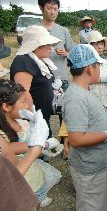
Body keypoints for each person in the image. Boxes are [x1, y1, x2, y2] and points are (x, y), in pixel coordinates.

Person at [63, 44, 107, 211]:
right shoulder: (75, 98)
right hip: (90, 169)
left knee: (101, 203)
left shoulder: (86, 90)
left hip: (102, 162)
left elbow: (95, 118)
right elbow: (76, 139)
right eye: (99, 66)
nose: (100, 70)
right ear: (89, 68)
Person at [0, 79, 59, 209]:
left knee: (36, 202)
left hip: (33, 173)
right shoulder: (2, 134)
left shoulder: (21, 121)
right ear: (6, 107)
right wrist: (42, 144)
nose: (26, 106)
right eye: (23, 102)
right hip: (22, 181)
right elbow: (11, 148)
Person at [10, 25, 61, 139]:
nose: (51, 48)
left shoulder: (40, 61)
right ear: (36, 45)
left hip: (42, 117)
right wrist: (34, 116)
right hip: (32, 120)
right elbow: (23, 91)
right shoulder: (23, 61)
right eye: (48, 44)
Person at [38, 0, 74, 92]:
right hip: (39, 77)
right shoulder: (34, 30)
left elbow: (73, 53)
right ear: (41, 8)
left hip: (60, 77)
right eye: (49, 8)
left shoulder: (63, 30)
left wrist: (66, 53)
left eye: (55, 9)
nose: (53, 12)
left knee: (61, 106)